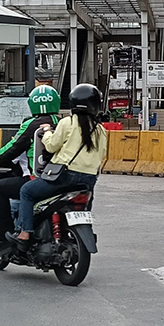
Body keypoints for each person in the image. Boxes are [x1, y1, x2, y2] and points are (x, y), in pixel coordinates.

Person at [10, 84, 108, 251]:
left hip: (64, 177)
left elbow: (51, 146)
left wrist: (47, 131)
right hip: (88, 180)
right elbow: (102, 155)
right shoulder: (100, 130)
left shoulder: (67, 123)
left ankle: (25, 233)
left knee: (26, 191)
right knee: (83, 207)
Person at [0, 85, 61, 251]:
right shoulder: (61, 123)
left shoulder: (31, 125)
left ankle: (5, 241)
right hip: (62, 177)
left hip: (39, 178)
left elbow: (13, 147)